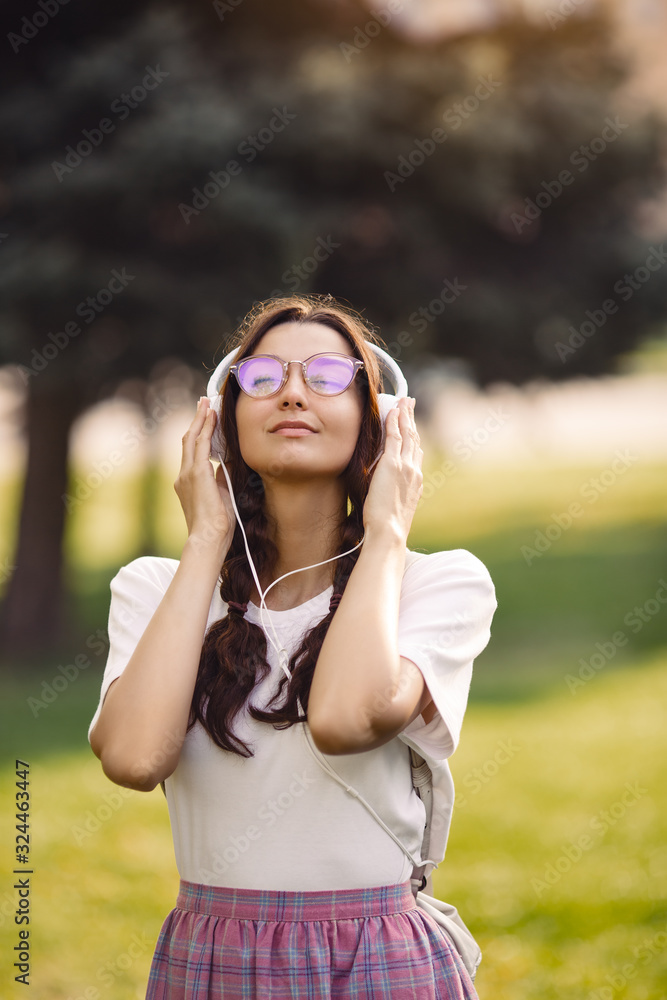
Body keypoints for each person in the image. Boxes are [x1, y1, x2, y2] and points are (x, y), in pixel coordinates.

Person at [87, 292, 497, 999]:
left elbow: (346, 719)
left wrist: (388, 530)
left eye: (329, 378)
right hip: (212, 956)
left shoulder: (439, 584)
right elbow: (132, 757)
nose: (292, 395)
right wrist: (205, 539)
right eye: (263, 378)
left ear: (381, 418)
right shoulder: (158, 586)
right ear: (223, 415)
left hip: (374, 957)